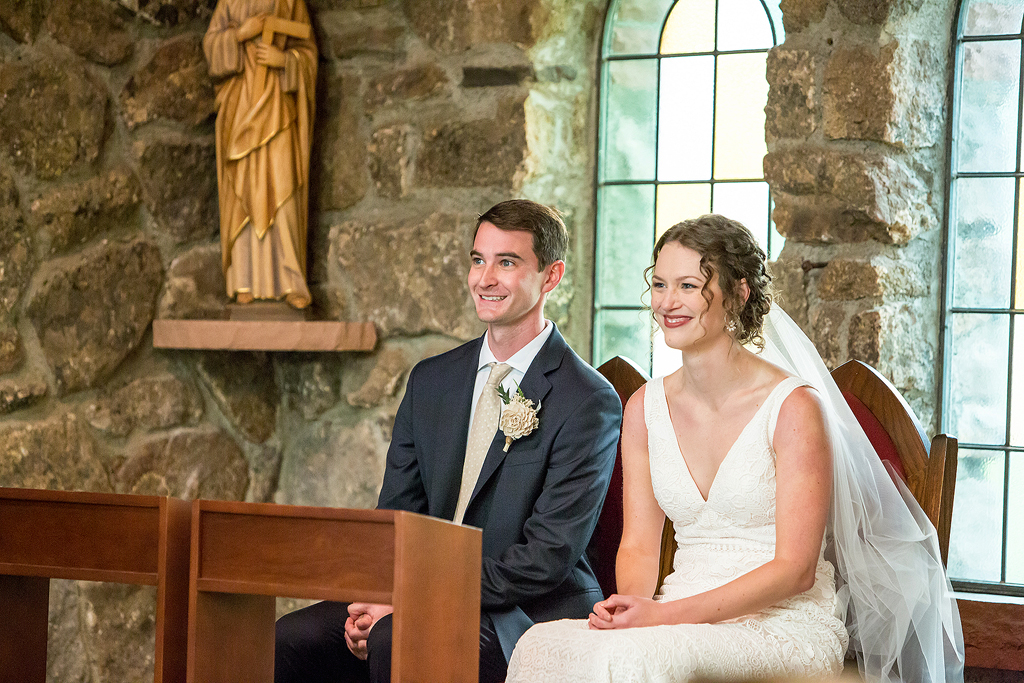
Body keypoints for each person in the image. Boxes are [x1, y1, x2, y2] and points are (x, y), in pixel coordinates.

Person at [507, 214, 964, 683]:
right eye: (660, 284)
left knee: (634, 662)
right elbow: (640, 545)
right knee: (539, 645)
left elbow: (796, 569)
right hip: (676, 615)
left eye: (688, 285)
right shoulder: (645, 407)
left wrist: (664, 620)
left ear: (740, 293)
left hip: (784, 625)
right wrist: (635, 613)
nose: (668, 302)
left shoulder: (793, 407)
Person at [275, 199, 622, 683]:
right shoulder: (431, 380)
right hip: (419, 592)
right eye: (478, 260)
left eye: (507, 262)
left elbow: (547, 557)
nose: (485, 278)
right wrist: (378, 593)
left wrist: (411, 596)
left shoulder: (586, 400)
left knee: (396, 637)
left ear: (551, 276)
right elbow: (398, 514)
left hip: (523, 612)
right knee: (291, 638)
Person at [203, 0, 316, 308]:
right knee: (243, 191)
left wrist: (285, 60)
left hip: (279, 112)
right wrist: (240, 34)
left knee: (284, 188)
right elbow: (210, 46)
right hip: (239, 110)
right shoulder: (229, 2)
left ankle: (291, 278)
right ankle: (243, 279)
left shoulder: (292, 3)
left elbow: (308, 53)